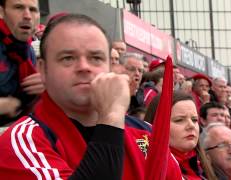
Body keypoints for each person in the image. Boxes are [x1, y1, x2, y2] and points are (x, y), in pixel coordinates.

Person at [0, 14, 182, 180]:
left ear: (110, 67)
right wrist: (111, 116)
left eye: (96, 58)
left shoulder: (146, 133)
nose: (84, 67)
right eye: (68, 58)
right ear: (42, 69)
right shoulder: (22, 141)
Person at [145, 91, 217, 180]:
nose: (191, 125)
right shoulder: (147, 170)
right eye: (179, 120)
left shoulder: (203, 167)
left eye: (194, 119)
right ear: (156, 125)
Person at [0, 0, 44, 126]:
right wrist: (5, 104)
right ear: (2, 12)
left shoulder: (27, 51)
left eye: (33, 10)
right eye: (18, 8)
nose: (27, 16)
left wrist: (47, 88)